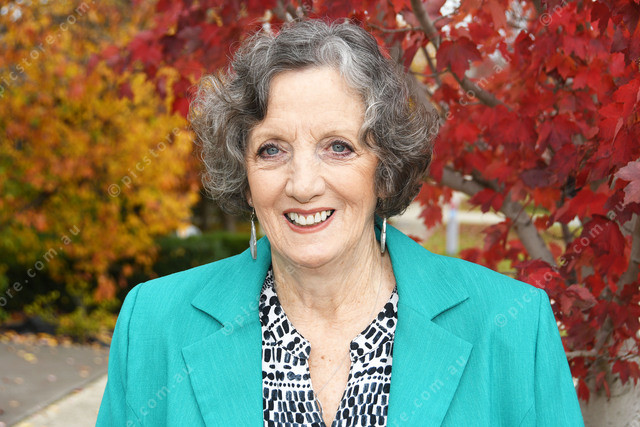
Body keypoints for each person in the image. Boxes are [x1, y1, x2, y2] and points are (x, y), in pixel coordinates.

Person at [97, 19, 584, 426]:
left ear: (384, 171)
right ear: (244, 178)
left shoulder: (513, 325)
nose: (303, 184)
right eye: (272, 150)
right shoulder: (154, 323)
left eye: (338, 147)